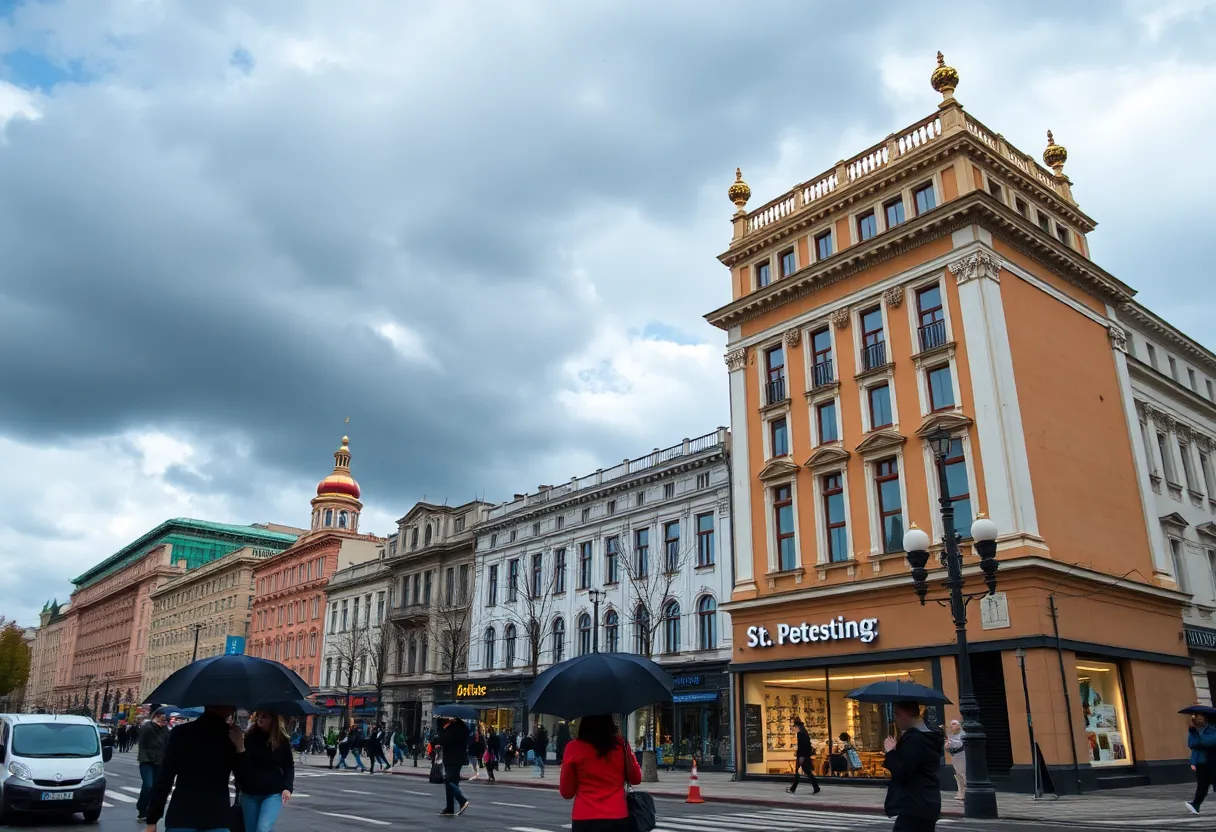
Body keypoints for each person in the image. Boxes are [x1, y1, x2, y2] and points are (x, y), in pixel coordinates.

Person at [144, 705, 246, 832]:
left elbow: (165, 778)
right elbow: (244, 780)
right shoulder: (231, 736)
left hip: (182, 813)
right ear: (230, 708)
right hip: (217, 816)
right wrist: (240, 749)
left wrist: (152, 819)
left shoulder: (181, 732)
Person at [558, 714, 642, 832]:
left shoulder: (573, 748)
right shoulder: (621, 745)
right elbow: (636, 778)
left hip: (584, 817)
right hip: (617, 816)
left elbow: (567, 792)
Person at [882, 702, 944, 832]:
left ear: (906, 714)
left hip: (914, 804)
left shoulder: (916, 738)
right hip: (925, 802)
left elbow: (903, 770)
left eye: (897, 714)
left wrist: (891, 752)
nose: (896, 719)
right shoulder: (929, 735)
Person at [238, 711, 295, 832]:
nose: (260, 718)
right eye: (259, 716)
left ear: (273, 720)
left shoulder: (281, 740)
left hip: (272, 793)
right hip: (249, 793)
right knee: (251, 830)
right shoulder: (249, 738)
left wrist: (287, 787)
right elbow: (241, 763)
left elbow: (288, 766)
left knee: (263, 828)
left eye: (265, 716)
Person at [135, 712, 169, 823]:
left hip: (159, 762)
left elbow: (169, 744)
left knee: (155, 788)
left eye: (164, 720)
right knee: (148, 785)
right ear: (155, 718)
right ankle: (141, 808)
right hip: (146, 761)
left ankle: (148, 810)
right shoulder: (148, 727)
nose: (162, 722)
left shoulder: (165, 731)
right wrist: (153, 723)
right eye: (160, 719)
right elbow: (142, 733)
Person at [437, 716, 471, 817]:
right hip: (458, 758)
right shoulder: (463, 727)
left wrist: (441, 727)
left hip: (452, 758)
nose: (447, 718)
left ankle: (462, 801)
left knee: (449, 781)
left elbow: (443, 739)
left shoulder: (453, 728)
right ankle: (449, 808)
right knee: (451, 782)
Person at [1186, 712, 1216, 814]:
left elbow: (1210, 741)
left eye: (1198, 718)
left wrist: (1200, 739)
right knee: (1202, 785)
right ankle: (1195, 805)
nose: (1197, 721)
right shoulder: (1193, 731)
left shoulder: (1212, 728)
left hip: (1212, 761)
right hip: (1201, 762)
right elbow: (1191, 744)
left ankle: (1195, 804)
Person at [785, 716, 820, 795]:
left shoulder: (800, 734)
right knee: (807, 772)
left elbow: (802, 746)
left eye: (794, 727)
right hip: (805, 755)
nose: (793, 728)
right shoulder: (804, 732)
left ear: (796, 726)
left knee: (800, 772)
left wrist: (800, 755)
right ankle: (815, 787)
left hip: (802, 756)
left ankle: (793, 789)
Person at [945, 720, 966, 802]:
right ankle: (961, 793)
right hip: (955, 757)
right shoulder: (951, 735)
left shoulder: (962, 734)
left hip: (962, 756)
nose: (953, 726)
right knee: (957, 776)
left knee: (963, 774)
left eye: (955, 724)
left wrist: (950, 742)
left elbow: (960, 744)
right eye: (952, 725)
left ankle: (966, 792)